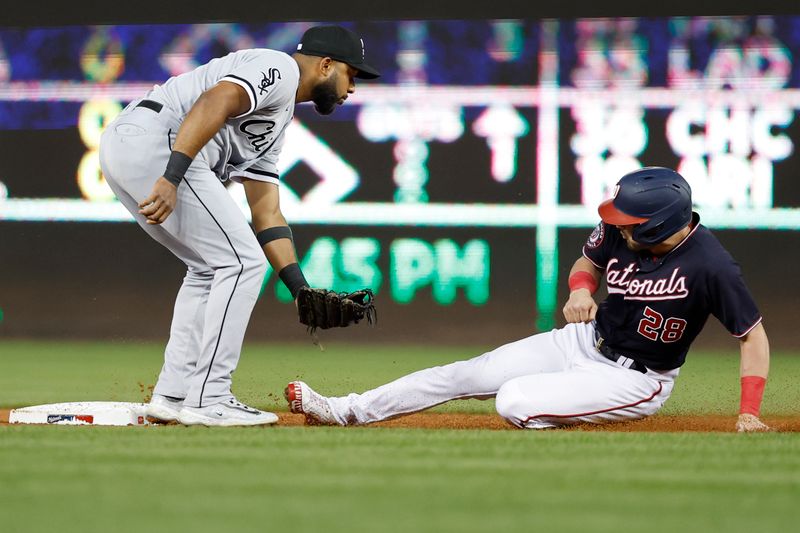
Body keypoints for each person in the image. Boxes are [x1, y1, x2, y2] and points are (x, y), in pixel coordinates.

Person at [286, 167, 772, 432]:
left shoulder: (711, 266)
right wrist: (580, 291)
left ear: (659, 226)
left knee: (514, 401)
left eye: (628, 221)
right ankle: (348, 410)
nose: (617, 223)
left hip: (636, 379)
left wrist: (749, 410)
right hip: (583, 341)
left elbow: (752, 337)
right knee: (466, 374)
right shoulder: (620, 230)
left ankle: (570, 412)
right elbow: (586, 266)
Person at [99, 25, 380, 426]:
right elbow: (218, 98)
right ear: (326, 64)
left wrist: (298, 289)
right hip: (159, 142)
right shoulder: (279, 68)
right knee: (243, 262)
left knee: (209, 267)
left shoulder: (278, 120)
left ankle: (174, 395)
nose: (352, 87)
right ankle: (210, 397)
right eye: (352, 74)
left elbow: (266, 210)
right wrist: (172, 176)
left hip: (134, 145)